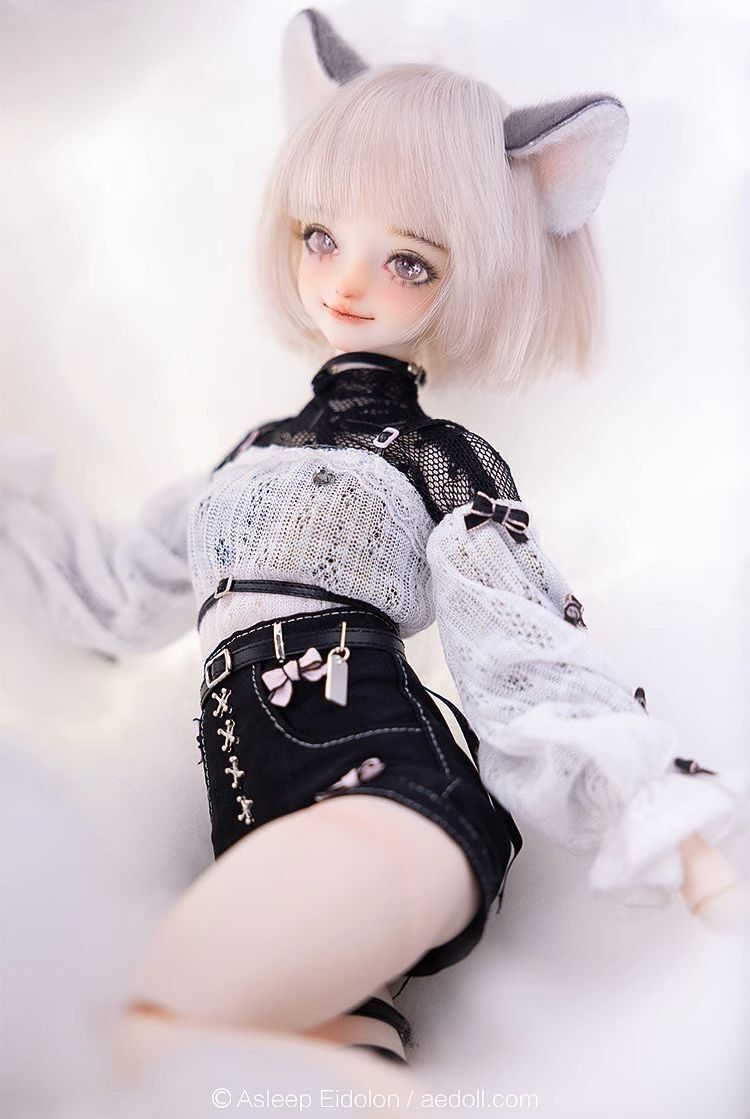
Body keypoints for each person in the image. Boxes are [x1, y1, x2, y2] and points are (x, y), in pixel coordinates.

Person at [1, 6, 747, 1087]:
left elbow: (522, 645)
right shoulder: (247, 458)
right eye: (322, 237)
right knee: (294, 1083)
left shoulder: (437, 459)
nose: (348, 282)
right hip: (261, 826)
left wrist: (663, 811)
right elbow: (111, 594)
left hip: (391, 796)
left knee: (128, 1037)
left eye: (409, 261)